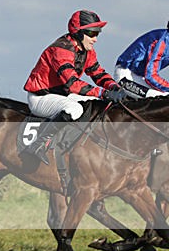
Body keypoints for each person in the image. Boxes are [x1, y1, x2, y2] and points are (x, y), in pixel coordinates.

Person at [22, 9, 125, 165]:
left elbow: (97, 74)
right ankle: (38, 145)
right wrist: (104, 93)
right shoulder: (60, 50)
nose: (95, 38)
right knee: (75, 109)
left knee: (97, 103)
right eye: (91, 33)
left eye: (98, 33)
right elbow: (73, 84)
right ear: (77, 32)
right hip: (41, 98)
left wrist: (114, 87)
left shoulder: (87, 51)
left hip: (61, 95)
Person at [113, 21, 169, 98]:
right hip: (126, 75)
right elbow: (151, 76)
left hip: (141, 78)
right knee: (164, 98)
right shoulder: (163, 41)